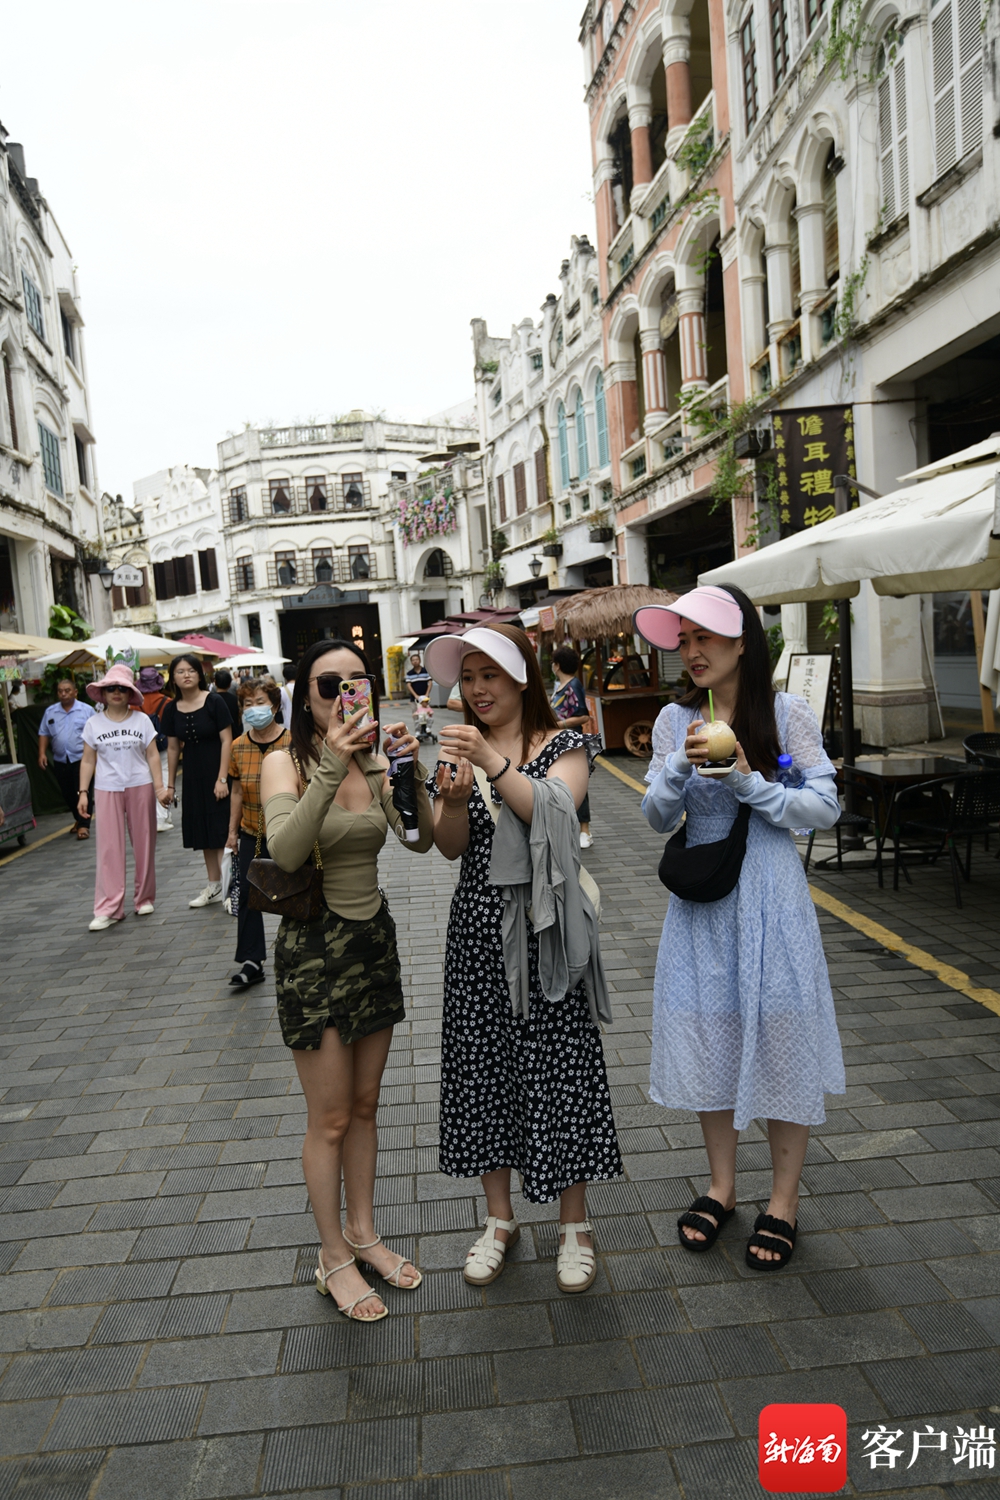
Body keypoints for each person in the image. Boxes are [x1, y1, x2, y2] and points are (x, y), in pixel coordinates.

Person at [635, 584, 845, 1270]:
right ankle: (722, 1188)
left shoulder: (785, 713)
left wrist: (752, 782)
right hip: (704, 904)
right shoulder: (674, 720)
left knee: (782, 1034)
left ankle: (782, 1201)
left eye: (704, 638)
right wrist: (675, 765)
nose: (690, 652)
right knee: (710, 1034)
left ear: (740, 641)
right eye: (683, 639)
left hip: (772, 894)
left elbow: (824, 805)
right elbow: (656, 819)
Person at [424, 624, 622, 1295]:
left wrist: (490, 762)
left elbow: (557, 814)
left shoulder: (564, 742)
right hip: (477, 931)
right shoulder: (456, 748)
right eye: (468, 677)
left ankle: (575, 1224)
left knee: (560, 1067)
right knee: (484, 1070)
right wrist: (451, 798)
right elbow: (451, 846)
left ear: (520, 680)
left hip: (545, 931)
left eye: (490, 676)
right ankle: (499, 1219)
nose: (476, 690)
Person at [261, 638, 434, 1322]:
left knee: (365, 1106)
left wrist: (408, 772)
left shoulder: (373, 758)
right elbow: (286, 849)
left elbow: (417, 838)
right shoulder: (286, 760)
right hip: (314, 954)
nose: (342, 695)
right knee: (329, 1118)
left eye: (355, 682)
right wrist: (331, 765)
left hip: (372, 945)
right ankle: (331, 1254)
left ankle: (363, 1232)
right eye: (327, 685)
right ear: (305, 697)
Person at [77, 664, 171, 930]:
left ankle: (144, 898)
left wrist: (159, 788)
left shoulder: (141, 720)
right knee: (109, 849)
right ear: (103, 693)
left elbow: (153, 755)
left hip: (139, 784)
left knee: (145, 843)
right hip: (107, 788)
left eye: (122, 688)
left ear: (130, 693)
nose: (116, 692)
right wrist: (83, 793)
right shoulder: (93, 723)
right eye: (110, 688)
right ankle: (109, 907)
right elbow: (87, 760)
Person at [225, 675, 291, 988]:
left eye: (260, 702)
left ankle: (300, 953)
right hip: (251, 830)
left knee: (295, 891)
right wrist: (232, 833)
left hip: (291, 830)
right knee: (250, 895)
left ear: (275, 705)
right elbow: (236, 791)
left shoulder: (293, 742)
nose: (254, 709)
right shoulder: (237, 747)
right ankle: (252, 960)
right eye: (247, 704)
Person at [161, 654, 234, 907]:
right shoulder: (171, 708)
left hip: (218, 771)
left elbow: (227, 740)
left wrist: (222, 778)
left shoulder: (214, 701)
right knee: (203, 829)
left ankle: (230, 888)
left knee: (223, 829)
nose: (187, 675)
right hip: (192, 776)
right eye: (180, 671)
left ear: (200, 674)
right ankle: (213, 885)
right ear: (174, 678)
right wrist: (170, 785)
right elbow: (172, 748)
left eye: (191, 670)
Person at [38, 678, 95, 840]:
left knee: (83, 791)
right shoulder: (51, 712)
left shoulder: (87, 710)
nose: (64, 694)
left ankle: (84, 826)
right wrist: (42, 753)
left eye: (67, 690)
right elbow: (44, 733)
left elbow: (96, 734)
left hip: (82, 759)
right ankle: (78, 818)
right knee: (68, 793)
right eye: (60, 691)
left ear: (75, 692)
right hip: (61, 760)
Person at [550, 646, 594, 849]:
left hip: (572, 741)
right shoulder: (561, 685)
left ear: (557, 665)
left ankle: (584, 830)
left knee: (578, 783)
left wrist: (559, 725)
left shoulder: (573, 686)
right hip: (559, 741)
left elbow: (584, 715)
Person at [138, 667, 173, 832]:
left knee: (146, 780)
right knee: (163, 777)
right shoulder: (166, 701)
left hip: (140, 747)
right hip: (162, 744)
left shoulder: (134, 703)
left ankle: (149, 818)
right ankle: (161, 816)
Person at [279, 663, 295, 728]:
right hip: (305, 723)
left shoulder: (281, 690)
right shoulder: (304, 688)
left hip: (290, 724)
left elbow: (279, 707)